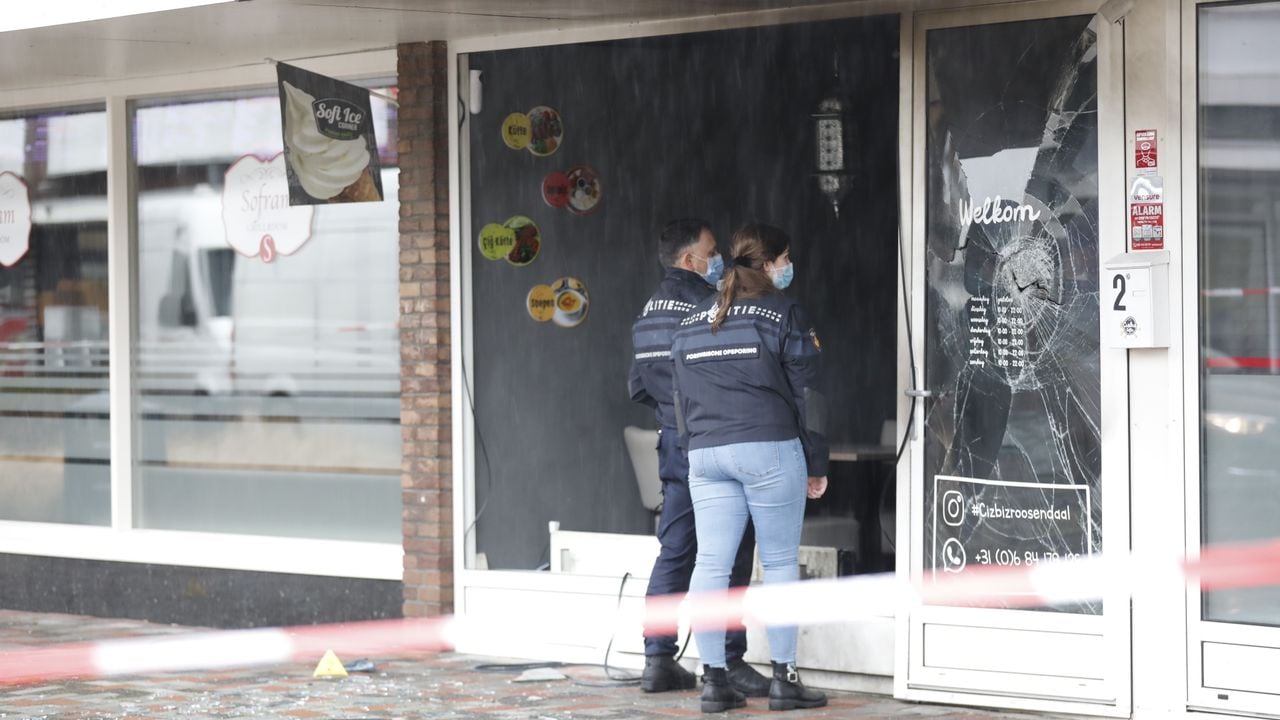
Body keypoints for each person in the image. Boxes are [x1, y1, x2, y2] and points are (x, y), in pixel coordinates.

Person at [671, 223, 829, 713]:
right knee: (780, 562)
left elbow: (680, 397)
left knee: (710, 564)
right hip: (768, 446)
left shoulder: (696, 316)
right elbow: (809, 393)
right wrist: (816, 460)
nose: (787, 267)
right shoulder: (783, 312)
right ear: (768, 264)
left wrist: (692, 451)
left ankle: (714, 681)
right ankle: (785, 680)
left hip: (705, 452)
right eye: (784, 258)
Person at [628, 219, 771, 698]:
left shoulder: (647, 312)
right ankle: (729, 661)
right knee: (729, 552)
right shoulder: (710, 306)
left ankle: (657, 659)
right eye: (713, 251)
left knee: (676, 550)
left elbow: (637, 386)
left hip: (673, 442)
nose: (720, 261)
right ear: (690, 260)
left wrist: (675, 415)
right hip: (717, 441)